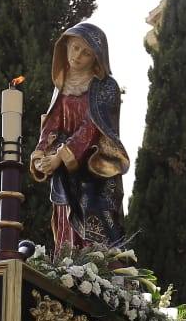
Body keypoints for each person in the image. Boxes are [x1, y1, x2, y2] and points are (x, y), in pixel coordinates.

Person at [29, 23, 131, 253]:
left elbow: (92, 128)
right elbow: (52, 124)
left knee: (97, 229)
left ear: (96, 58)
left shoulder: (106, 87)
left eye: (86, 52)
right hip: (64, 173)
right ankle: (69, 271)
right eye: (75, 48)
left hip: (94, 170)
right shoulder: (61, 87)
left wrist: (60, 156)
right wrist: (41, 154)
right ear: (66, 46)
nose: (77, 56)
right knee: (65, 223)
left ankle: (98, 276)